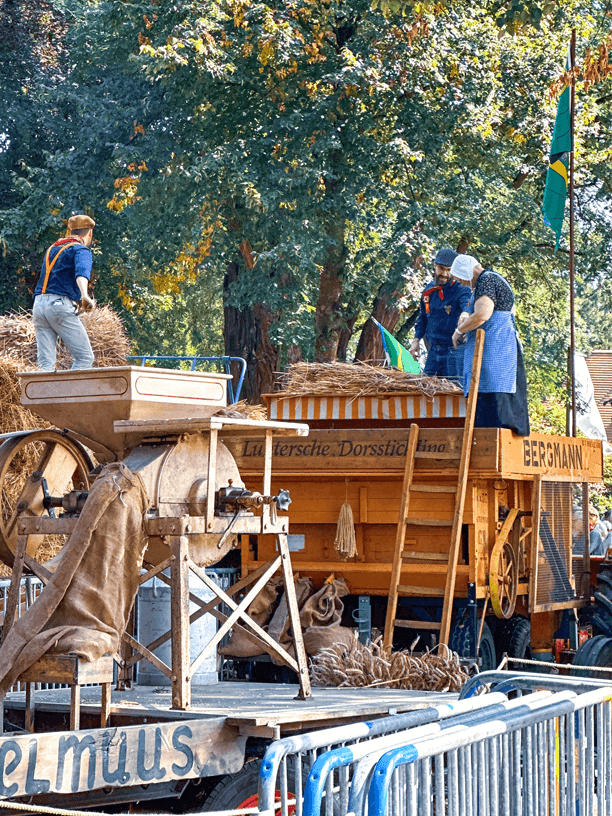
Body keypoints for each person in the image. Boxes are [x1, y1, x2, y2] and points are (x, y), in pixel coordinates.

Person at [449, 254, 530, 436]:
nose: (461, 282)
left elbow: (482, 314)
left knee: (494, 403)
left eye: (460, 277)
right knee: (488, 400)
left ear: (466, 272)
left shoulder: (486, 281)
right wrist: (464, 318)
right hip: (495, 351)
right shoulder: (486, 282)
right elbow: (473, 312)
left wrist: (459, 331)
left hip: (496, 353)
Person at [32, 214, 96, 372]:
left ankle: (44, 397)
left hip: (39, 306)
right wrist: (84, 295)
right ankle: (70, 396)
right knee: (85, 357)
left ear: (70, 231)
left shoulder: (52, 249)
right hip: (58, 306)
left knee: (45, 365)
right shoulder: (80, 249)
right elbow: (81, 274)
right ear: (89, 233)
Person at [409, 247, 471, 380]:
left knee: (454, 394)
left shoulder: (462, 290)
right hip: (432, 352)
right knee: (427, 392)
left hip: (454, 352)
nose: (445, 274)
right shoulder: (428, 291)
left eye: (449, 270)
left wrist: (465, 314)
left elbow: (467, 305)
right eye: (441, 268)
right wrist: (415, 341)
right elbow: (423, 318)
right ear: (435, 266)